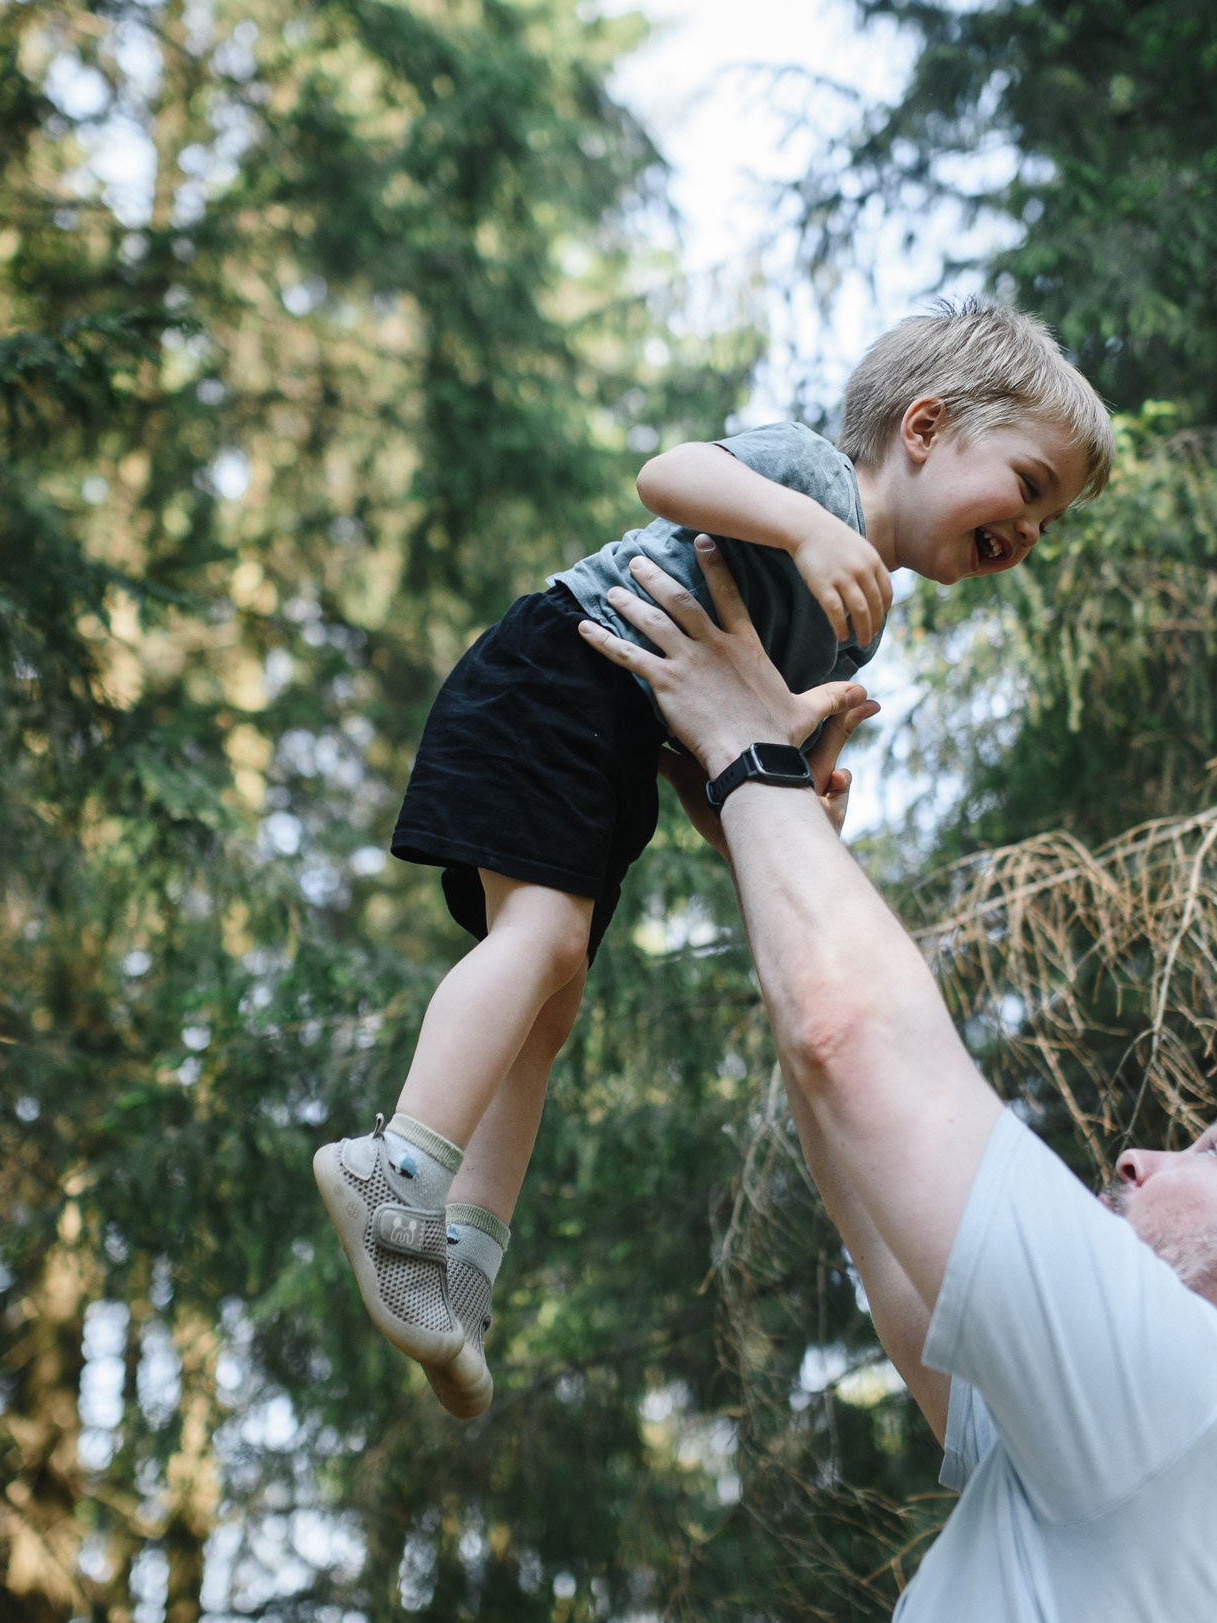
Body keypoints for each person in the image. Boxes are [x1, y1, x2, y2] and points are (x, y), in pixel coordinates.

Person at [578, 538, 1217, 1623]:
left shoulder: (1203, 1414)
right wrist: (780, 844)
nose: (1138, 1152)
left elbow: (852, 1044)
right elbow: (881, 1198)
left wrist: (745, 750)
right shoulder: (1186, 1485)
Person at [316, 302, 1112, 1417]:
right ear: (924, 428)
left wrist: (783, 788)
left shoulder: (853, 625)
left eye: (1050, 520)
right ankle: (392, 1167)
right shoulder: (810, 479)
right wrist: (804, 525)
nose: (1030, 531)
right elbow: (666, 471)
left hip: (612, 738)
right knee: (540, 941)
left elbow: (706, 765)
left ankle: (461, 1261)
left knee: (551, 993)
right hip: (555, 675)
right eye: (1029, 487)